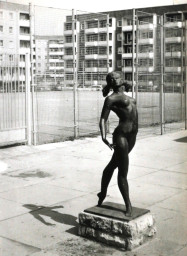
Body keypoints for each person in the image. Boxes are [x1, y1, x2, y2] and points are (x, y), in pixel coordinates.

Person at [98, 71, 138, 217]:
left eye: (116, 77)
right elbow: (103, 119)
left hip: (132, 136)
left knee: (111, 166)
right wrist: (104, 137)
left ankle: (102, 193)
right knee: (123, 170)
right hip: (120, 136)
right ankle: (128, 205)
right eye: (110, 79)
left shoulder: (127, 96)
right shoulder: (111, 99)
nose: (114, 80)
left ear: (121, 79)